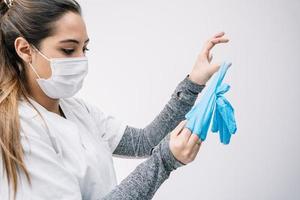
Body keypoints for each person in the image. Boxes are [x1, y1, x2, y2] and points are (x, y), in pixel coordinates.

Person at [0, 0, 229, 199]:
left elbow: (145, 142)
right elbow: (156, 152)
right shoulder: (19, 132)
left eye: (85, 49)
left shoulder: (76, 109)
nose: (81, 60)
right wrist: (165, 161)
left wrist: (193, 84)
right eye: (69, 50)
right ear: (24, 49)